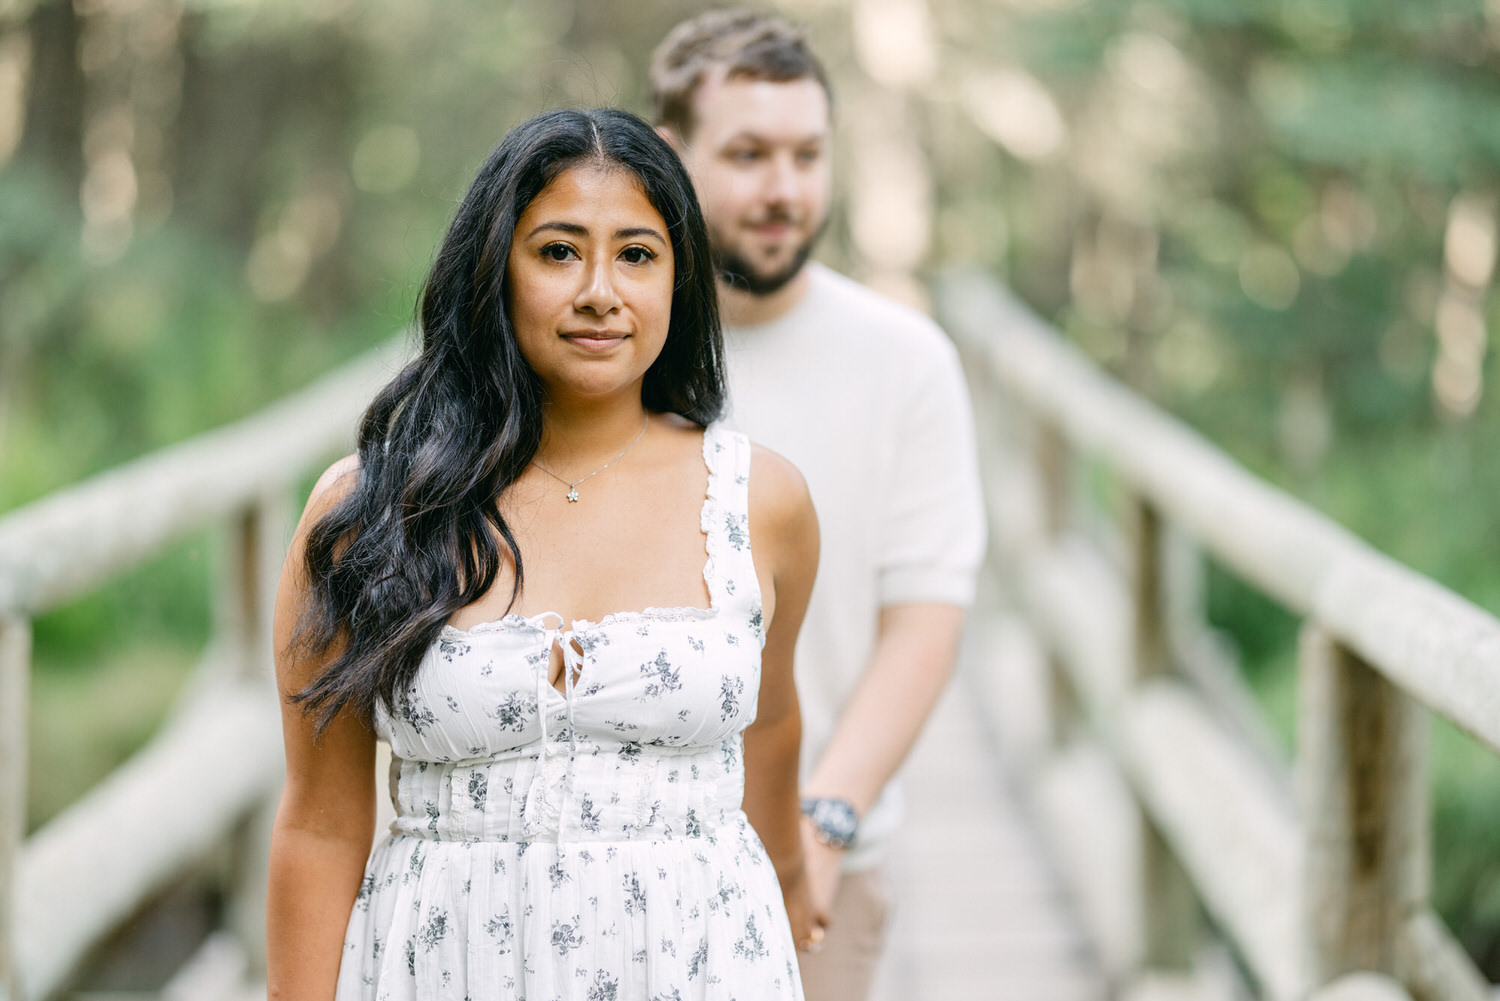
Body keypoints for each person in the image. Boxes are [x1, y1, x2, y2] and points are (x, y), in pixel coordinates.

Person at [265, 107, 821, 1000]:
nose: (600, 290)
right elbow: (321, 825)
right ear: (494, 270)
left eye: (637, 254)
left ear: (680, 280)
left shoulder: (761, 501)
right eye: (559, 251)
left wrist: (797, 871)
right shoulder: (367, 510)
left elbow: (771, 727)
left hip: (705, 964)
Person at [651, 12, 986, 1000]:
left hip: (820, 856)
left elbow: (925, 620)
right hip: (612, 848)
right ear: (670, 153)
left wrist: (826, 821)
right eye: (748, 154)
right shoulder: (603, 341)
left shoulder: (906, 360)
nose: (783, 189)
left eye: (806, 154)